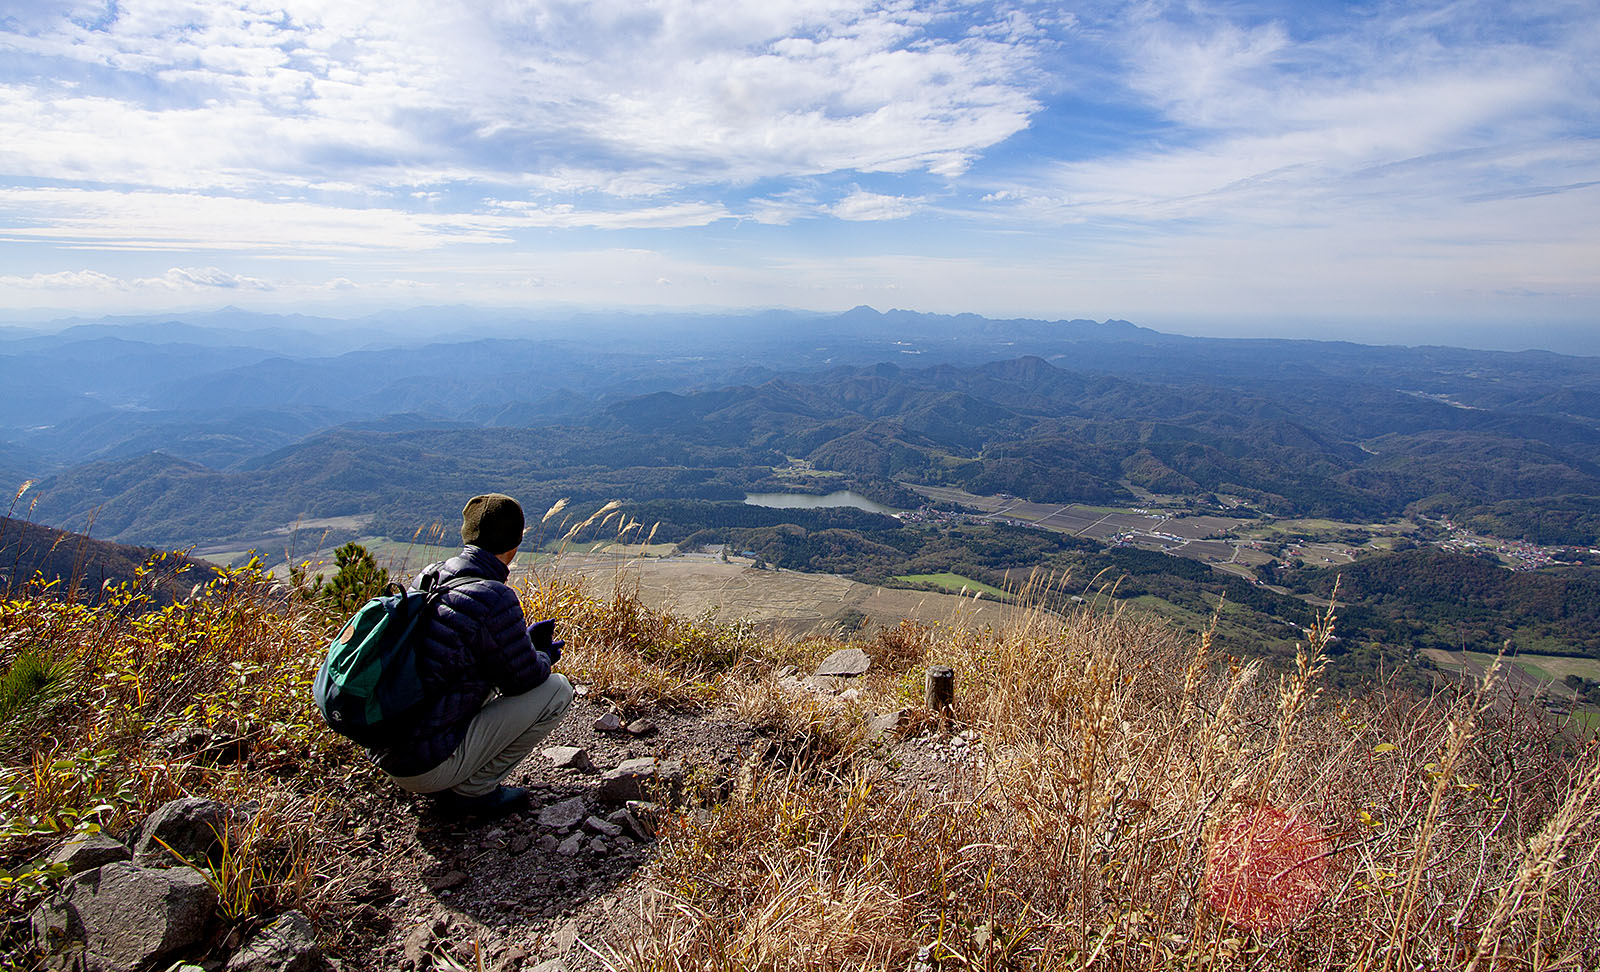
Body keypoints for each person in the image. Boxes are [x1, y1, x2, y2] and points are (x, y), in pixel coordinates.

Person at [375, 493, 573, 819]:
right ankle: (474, 791)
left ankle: (451, 773)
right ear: (516, 540)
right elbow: (526, 681)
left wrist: (520, 643)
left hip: (392, 752)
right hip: (426, 766)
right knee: (558, 690)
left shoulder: (429, 576)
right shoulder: (494, 595)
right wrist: (542, 655)